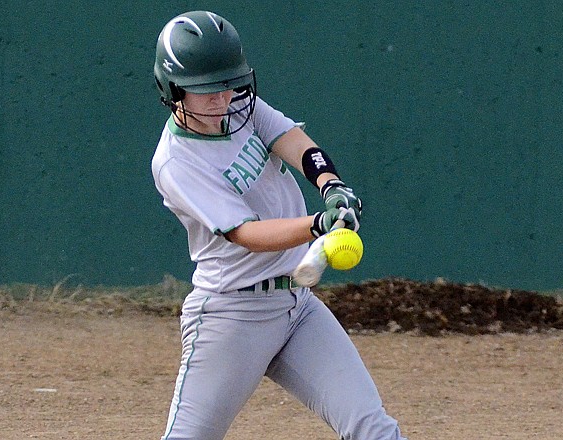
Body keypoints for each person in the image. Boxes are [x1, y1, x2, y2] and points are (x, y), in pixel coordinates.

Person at [150, 10, 407, 440]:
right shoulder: (177, 162)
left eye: (228, 84)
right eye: (204, 90)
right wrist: (319, 224)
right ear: (172, 90)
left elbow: (290, 139)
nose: (221, 98)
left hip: (297, 306)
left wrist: (332, 186)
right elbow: (247, 235)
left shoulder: (237, 108)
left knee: (371, 427)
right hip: (231, 314)